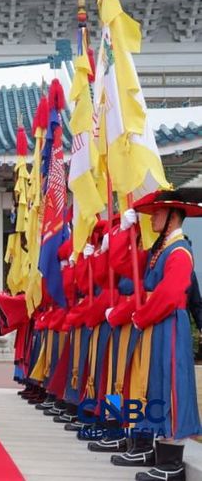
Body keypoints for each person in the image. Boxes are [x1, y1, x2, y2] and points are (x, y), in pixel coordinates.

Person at [121, 190, 202, 481]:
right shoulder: (163, 249)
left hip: (168, 323)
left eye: (157, 213)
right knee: (155, 385)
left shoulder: (179, 251)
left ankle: (172, 463)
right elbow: (126, 275)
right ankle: (160, 453)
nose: (152, 217)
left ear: (172, 216)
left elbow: (169, 295)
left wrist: (142, 317)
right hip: (159, 323)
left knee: (171, 386)